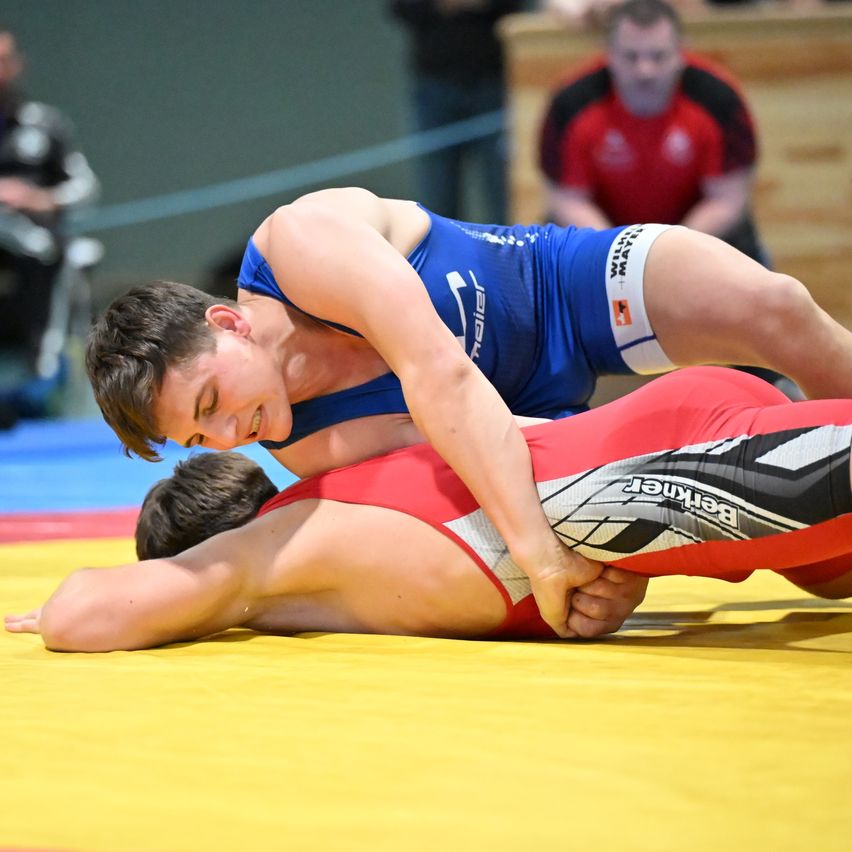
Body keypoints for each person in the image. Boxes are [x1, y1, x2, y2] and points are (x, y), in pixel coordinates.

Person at [85, 186, 852, 639]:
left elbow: (441, 374)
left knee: (774, 307)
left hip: (557, 290)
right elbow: (505, 454)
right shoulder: (309, 450)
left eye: (213, 402)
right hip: (525, 410)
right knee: (825, 571)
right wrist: (603, 564)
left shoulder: (301, 246)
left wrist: (545, 560)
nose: (229, 436)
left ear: (228, 323)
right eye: (199, 436)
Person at [9, 367, 852, 653]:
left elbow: (87, 616)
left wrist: (61, 603)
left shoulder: (271, 554)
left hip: (666, 479)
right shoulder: (348, 475)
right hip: (672, 437)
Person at [539, 0, 765, 263]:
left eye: (658, 56)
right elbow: (567, 201)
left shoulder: (720, 101)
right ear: (608, 54)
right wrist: (620, 255)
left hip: (699, 242)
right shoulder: (570, 104)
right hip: (606, 246)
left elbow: (727, 201)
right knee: (553, 245)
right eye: (631, 56)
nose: (645, 70)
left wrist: (666, 252)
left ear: (681, 53)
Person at [0, 26, 99, 420]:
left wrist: (40, 199)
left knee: (48, 254)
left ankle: (42, 376)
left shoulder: (46, 125)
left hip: (36, 245)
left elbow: (85, 187)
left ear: (18, 65)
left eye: (4, 61)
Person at [388, 0, 525, 222]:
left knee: (504, 192)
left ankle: (506, 255)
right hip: (434, 82)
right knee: (437, 195)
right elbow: (403, 8)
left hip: (494, 79)